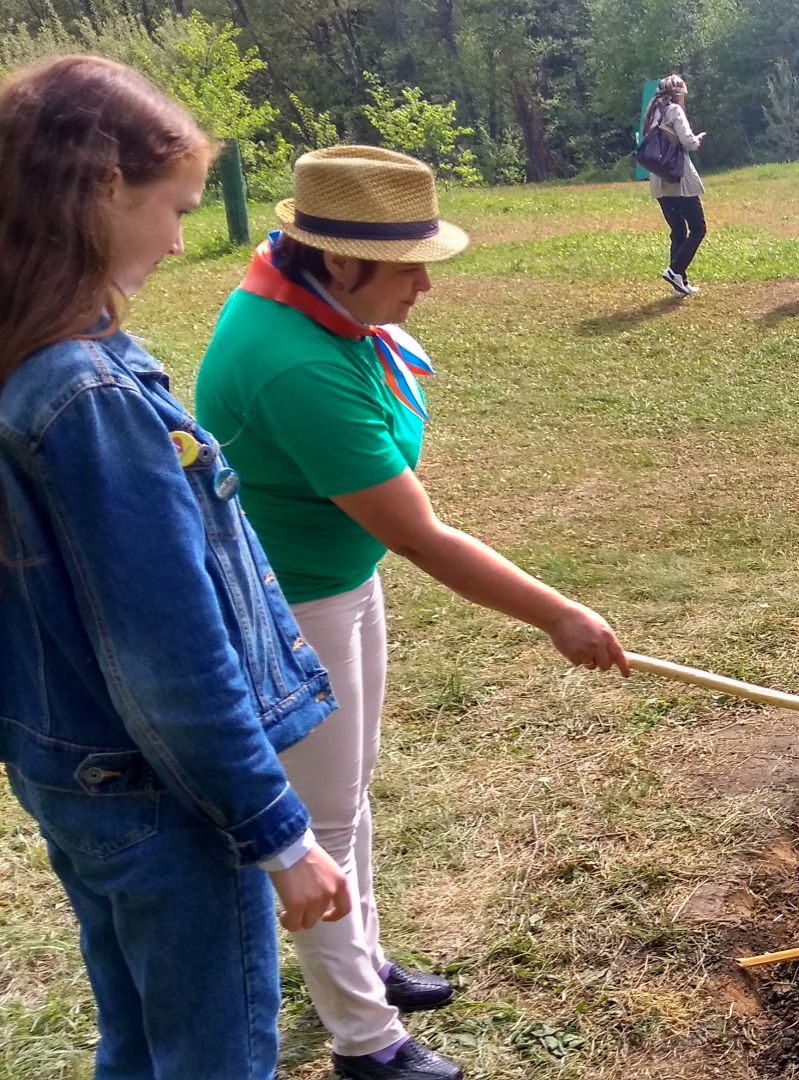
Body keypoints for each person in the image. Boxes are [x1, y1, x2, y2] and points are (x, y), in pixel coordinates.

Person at [196, 146, 630, 1080]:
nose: (426, 285)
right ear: (340, 263)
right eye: (408, 266)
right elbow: (424, 537)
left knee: (347, 798)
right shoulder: (290, 361)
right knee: (317, 818)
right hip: (293, 605)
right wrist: (558, 615)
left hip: (339, 581)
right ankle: (366, 1042)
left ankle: (361, 967)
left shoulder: (331, 320)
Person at [0, 55, 349, 1080]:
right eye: (175, 206)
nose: (182, 237)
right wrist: (278, 837)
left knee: (142, 1041)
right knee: (212, 1054)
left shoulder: (23, 362)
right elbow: (171, 657)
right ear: (103, 188)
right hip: (165, 798)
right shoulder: (86, 394)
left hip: (76, 779)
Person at [643, 75, 706, 297]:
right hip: (678, 179)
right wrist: (697, 140)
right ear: (678, 92)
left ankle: (679, 283)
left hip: (659, 180)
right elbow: (688, 142)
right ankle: (675, 271)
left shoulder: (652, 110)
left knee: (678, 230)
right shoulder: (674, 111)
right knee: (698, 228)